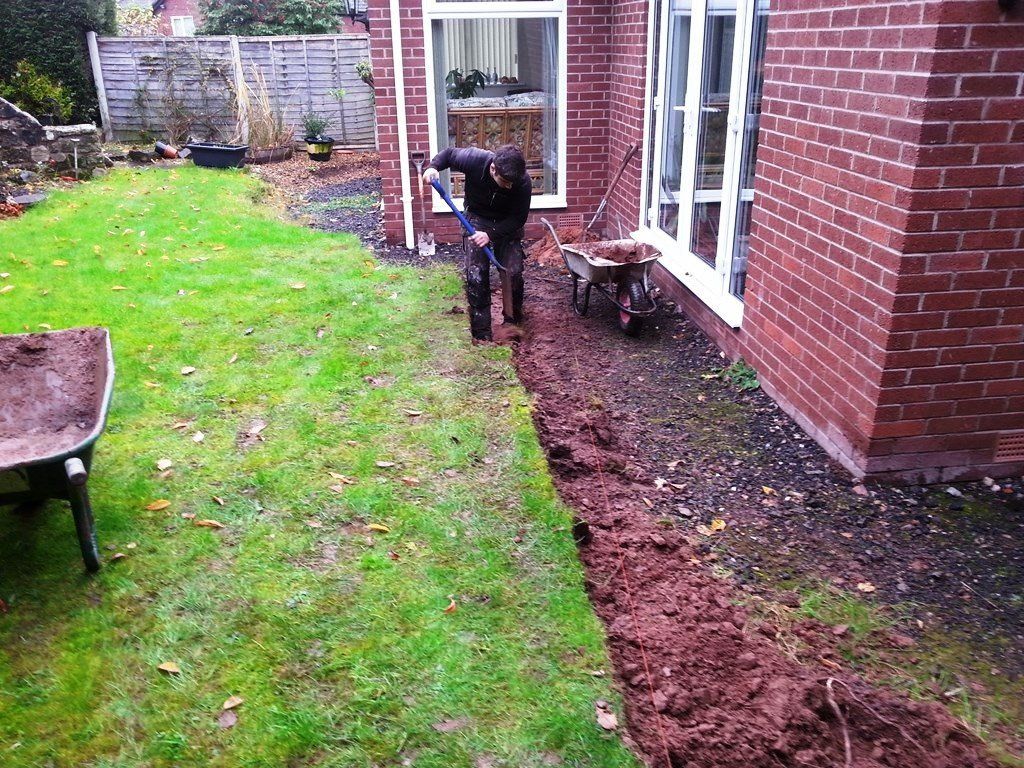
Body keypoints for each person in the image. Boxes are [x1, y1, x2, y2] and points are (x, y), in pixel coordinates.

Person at [423, 144, 531, 343]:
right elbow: (448, 155)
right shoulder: (475, 159)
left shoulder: (522, 181)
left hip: (507, 223)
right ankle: (481, 332)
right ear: (493, 169)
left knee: (512, 272)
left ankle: (512, 321)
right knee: (476, 274)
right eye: (505, 182)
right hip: (477, 217)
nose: (509, 187)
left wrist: (490, 234)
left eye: (512, 183)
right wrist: (432, 167)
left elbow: (518, 219)